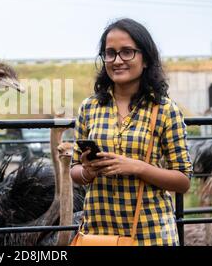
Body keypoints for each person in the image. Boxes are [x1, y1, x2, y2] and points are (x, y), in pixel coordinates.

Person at [70, 18, 192, 246]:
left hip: (151, 235)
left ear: (145, 59)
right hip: (98, 234)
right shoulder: (89, 107)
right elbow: (74, 171)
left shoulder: (165, 110)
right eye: (110, 53)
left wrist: (137, 167)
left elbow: (183, 180)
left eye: (127, 52)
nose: (117, 61)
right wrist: (88, 170)